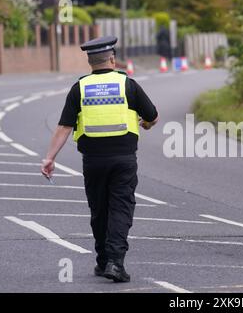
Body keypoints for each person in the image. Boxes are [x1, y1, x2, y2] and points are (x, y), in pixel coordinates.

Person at [41, 36, 159, 281]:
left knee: (99, 210)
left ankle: (103, 260)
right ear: (112, 59)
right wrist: (145, 124)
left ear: (90, 61)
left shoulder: (80, 88)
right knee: (120, 208)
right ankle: (115, 263)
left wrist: (49, 158)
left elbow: (64, 127)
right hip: (123, 159)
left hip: (93, 161)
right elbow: (153, 116)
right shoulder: (128, 85)